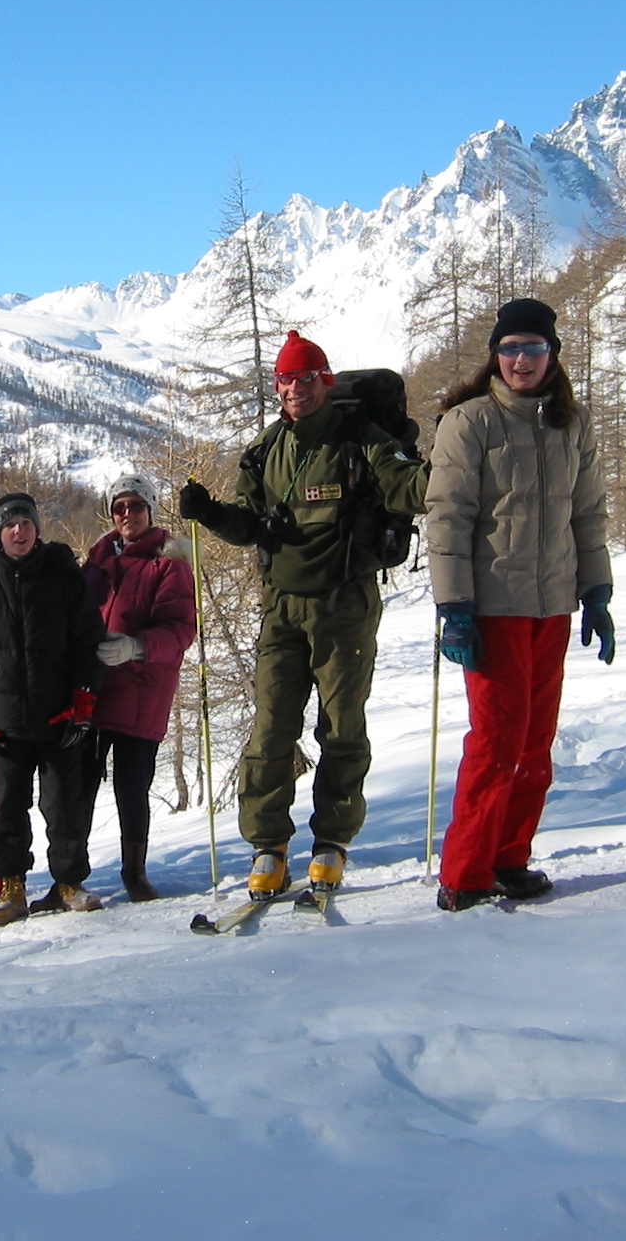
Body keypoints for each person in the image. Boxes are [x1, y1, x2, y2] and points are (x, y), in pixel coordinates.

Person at [179, 330, 428, 899]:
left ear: (325, 381)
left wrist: (453, 472)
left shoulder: (359, 441)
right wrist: (211, 514)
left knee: (341, 728)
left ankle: (331, 842)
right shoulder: (268, 450)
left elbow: (406, 487)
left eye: (305, 378)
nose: (294, 388)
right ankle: (269, 846)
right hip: (281, 608)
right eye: (285, 379)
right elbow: (249, 525)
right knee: (271, 731)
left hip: (345, 603)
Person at [426, 298, 613, 910]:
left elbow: (587, 514)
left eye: (533, 347)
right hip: (492, 609)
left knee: (535, 741)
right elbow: (448, 518)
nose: (521, 359)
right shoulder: (470, 422)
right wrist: (454, 606)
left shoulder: (572, 424)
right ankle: (465, 871)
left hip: (551, 607)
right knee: (496, 739)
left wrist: (597, 592)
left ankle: (510, 856)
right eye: (509, 348)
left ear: (552, 355)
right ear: (495, 357)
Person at [0, 492, 108, 924]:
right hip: (5, 723)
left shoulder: (63, 578)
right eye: (9, 525)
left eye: (26, 523)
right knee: (7, 809)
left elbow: (87, 642)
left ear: (37, 529)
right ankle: (11, 887)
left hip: (60, 716)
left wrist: (84, 696)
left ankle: (70, 882)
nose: (19, 531)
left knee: (64, 806)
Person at [80, 473, 196, 901]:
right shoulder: (97, 560)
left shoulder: (168, 563)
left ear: (151, 510)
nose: (127, 514)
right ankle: (72, 873)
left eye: (136, 506)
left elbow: (181, 631)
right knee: (80, 786)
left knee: (132, 787)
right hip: (93, 691)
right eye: (119, 508)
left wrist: (135, 647)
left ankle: (135, 872)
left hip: (141, 693)